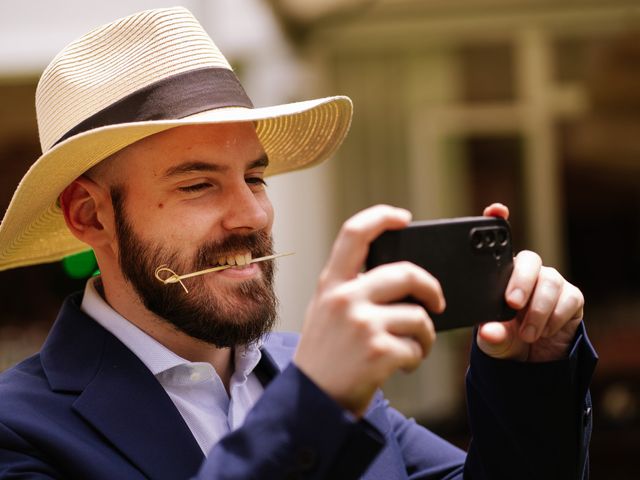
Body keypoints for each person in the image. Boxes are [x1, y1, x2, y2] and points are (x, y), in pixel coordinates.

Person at [0, 7, 596, 480]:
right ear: (89, 215)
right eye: (198, 184)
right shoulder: (18, 428)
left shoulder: (303, 368)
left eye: (255, 177)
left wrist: (528, 372)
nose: (252, 213)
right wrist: (314, 403)